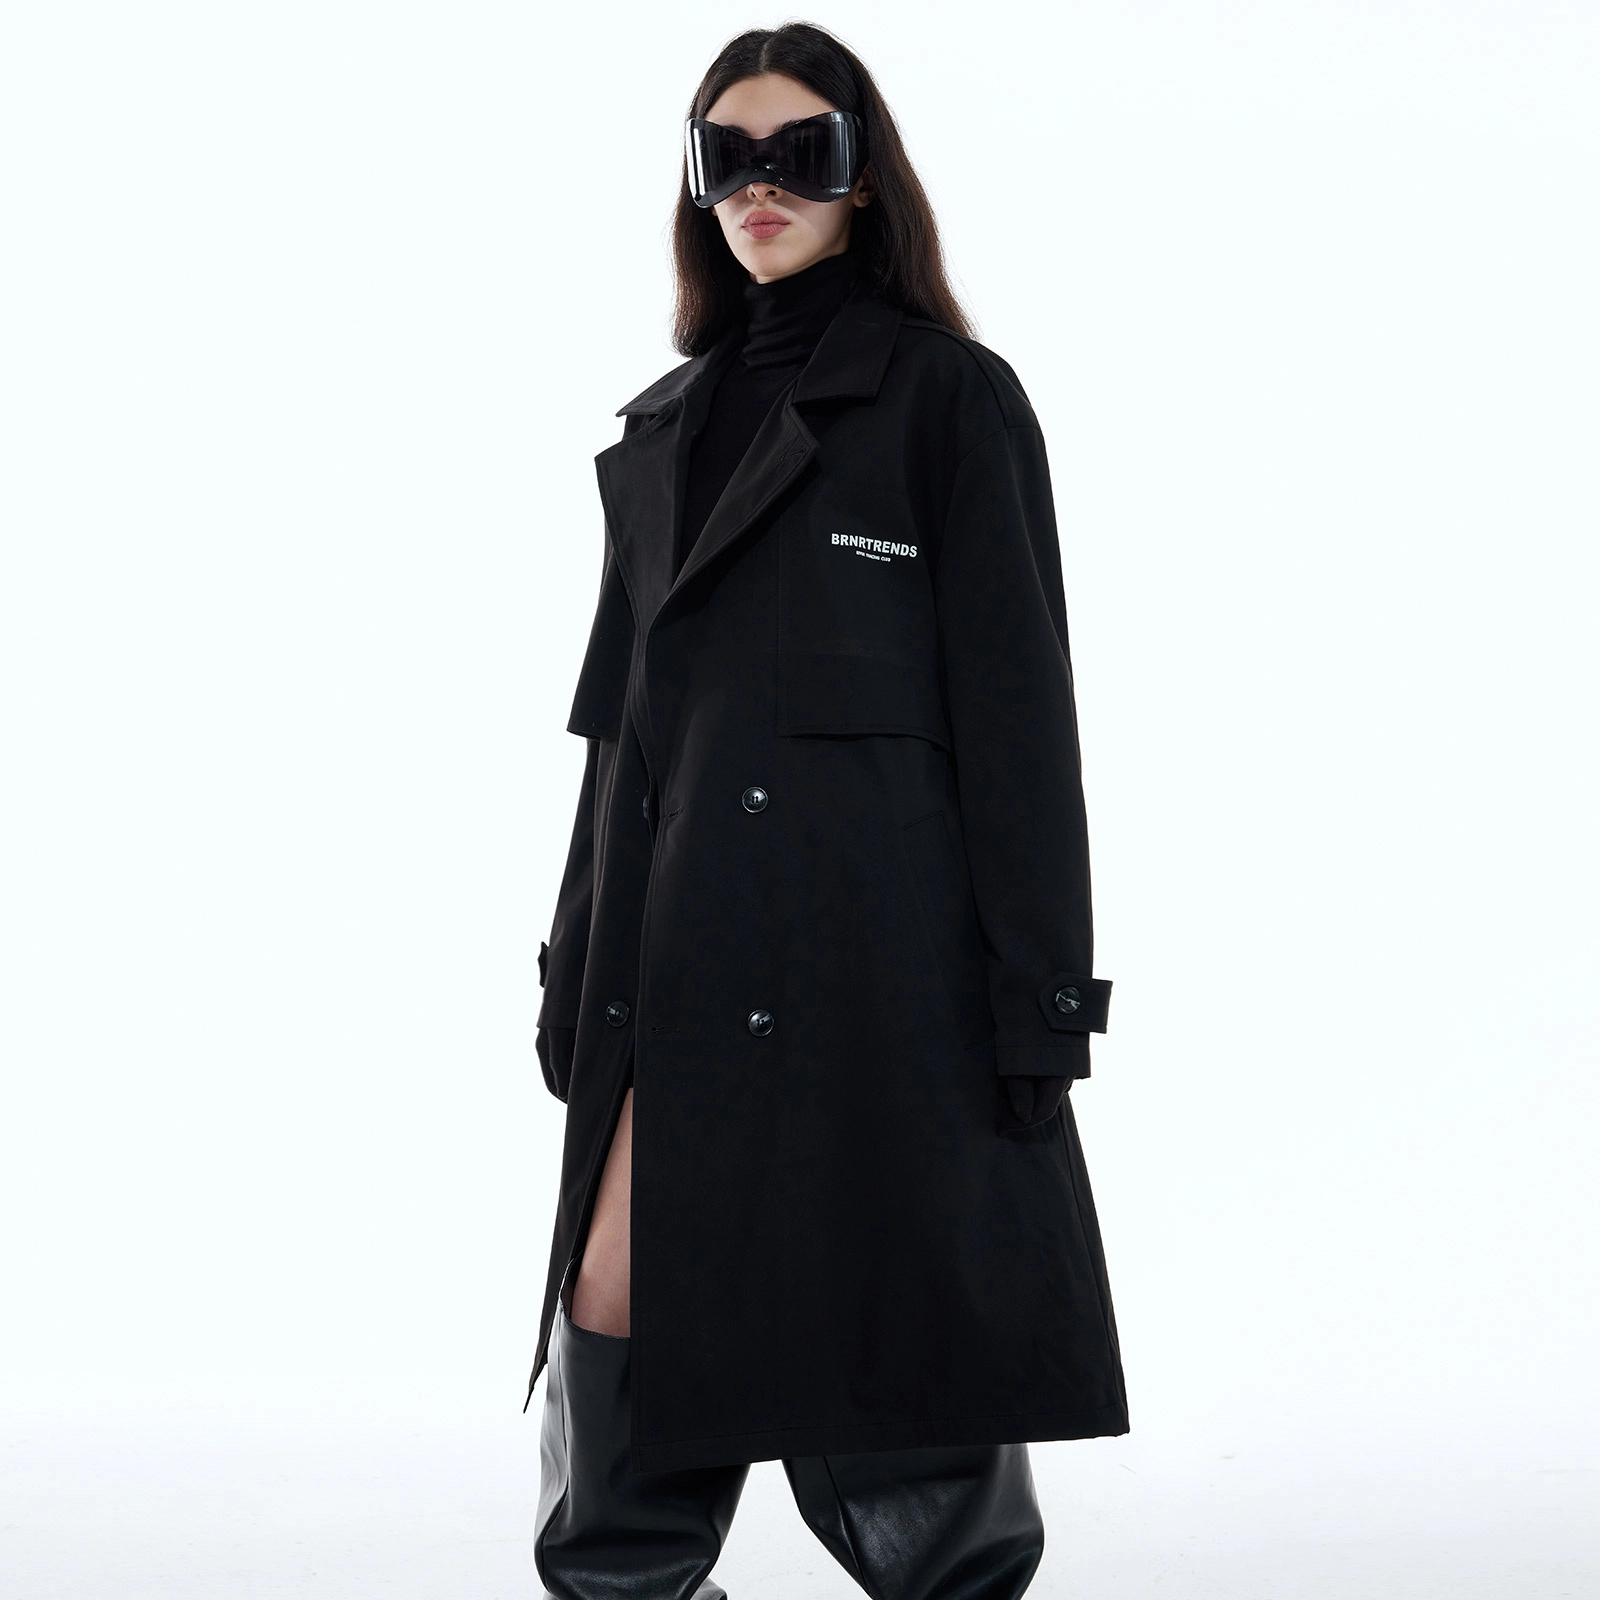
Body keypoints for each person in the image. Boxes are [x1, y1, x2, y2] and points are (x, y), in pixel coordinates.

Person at [529, 22, 1126, 1600]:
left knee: (898, 1334)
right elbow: (619, 739)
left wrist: (1040, 998)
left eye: (802, 152)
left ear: (866, 179)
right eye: (726, 156)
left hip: (878, 963)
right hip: (678, 955)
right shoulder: (663, 431)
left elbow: (1022, 728)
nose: (761, 186)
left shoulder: (950, 402)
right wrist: (572, 960)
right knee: (611, 1293)